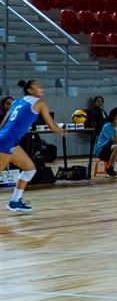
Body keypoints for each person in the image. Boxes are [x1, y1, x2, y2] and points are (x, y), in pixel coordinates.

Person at [1, 79, 65, 212]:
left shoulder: (17, 102)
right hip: (7, 141)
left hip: (8, 140)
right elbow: (51, 126)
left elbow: (4, 123)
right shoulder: (39, 103)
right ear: (30, 90)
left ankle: (14, 201)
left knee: (29, 169)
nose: (42, 88)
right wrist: (61, 131)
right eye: (38, 86)